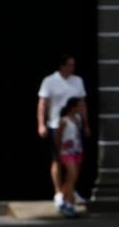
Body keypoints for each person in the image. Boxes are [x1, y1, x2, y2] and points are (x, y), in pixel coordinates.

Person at [37, 54, 88, 207]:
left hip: (75, 125)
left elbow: (83, 104)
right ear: (62, 66)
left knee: (76, 160)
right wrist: (41, 124)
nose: (72, 68)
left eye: (74, 65)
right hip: (56, 124)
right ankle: (59, 192)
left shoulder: (78, 81)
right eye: (70, 65)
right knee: (58, 159)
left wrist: (86, 124)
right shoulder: (50, 81)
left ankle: (70, 190)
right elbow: (42, 104)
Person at [56, 97, 86, 218]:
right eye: (79, 106)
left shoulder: (78, 119)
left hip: (77, 150)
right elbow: (58, 136)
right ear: (73, 107)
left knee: (72, 178)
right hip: (66, 151)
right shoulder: (64, 120)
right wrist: (58, 151)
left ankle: (64, 200)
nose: (81, 108)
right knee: (71, 174)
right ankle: (69, 203)